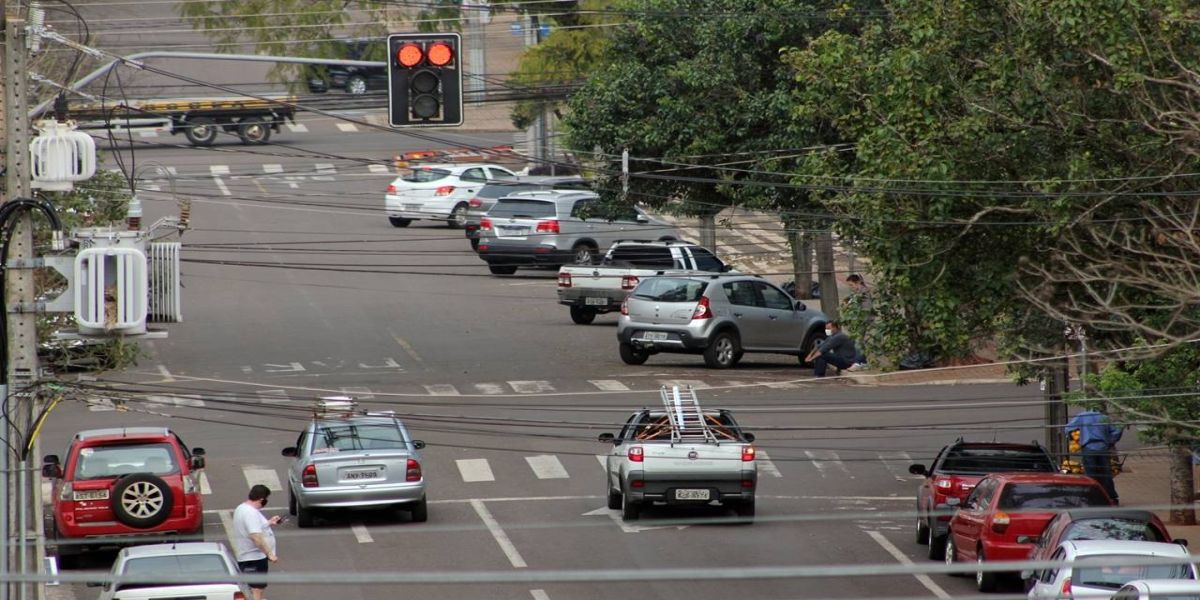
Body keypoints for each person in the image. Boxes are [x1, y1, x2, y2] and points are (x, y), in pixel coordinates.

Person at [1066, 408, 1124, 504]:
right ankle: (1110, 496)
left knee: (1090, 474)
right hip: (1102, 448)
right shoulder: (1104, 418)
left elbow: (1068, 428)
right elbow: (1117, 430)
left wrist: (1075, 438)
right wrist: (1110, 441)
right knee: (1106, 473)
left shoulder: (1082, 416)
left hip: (1088, 448)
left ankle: (1092, 496)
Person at [233, 484, 281, 600]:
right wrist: (269, 554)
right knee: (257, 588)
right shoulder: (251, 513)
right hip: (253, 557)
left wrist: (269, 523)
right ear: (261, 499)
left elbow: (253, 527)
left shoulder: (242, 508)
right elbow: (256, 536)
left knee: (256, 587)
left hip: (249, 556)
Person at [844, 273, 873, 366]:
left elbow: (866, 308)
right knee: (856, 340)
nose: (850, 287)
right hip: (857, 320)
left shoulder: (864, 293)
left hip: (862, 320)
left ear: (857, 283)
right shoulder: (856, 293)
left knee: (858, 341)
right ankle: (861, 361)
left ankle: (858, 362)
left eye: (851, 285)